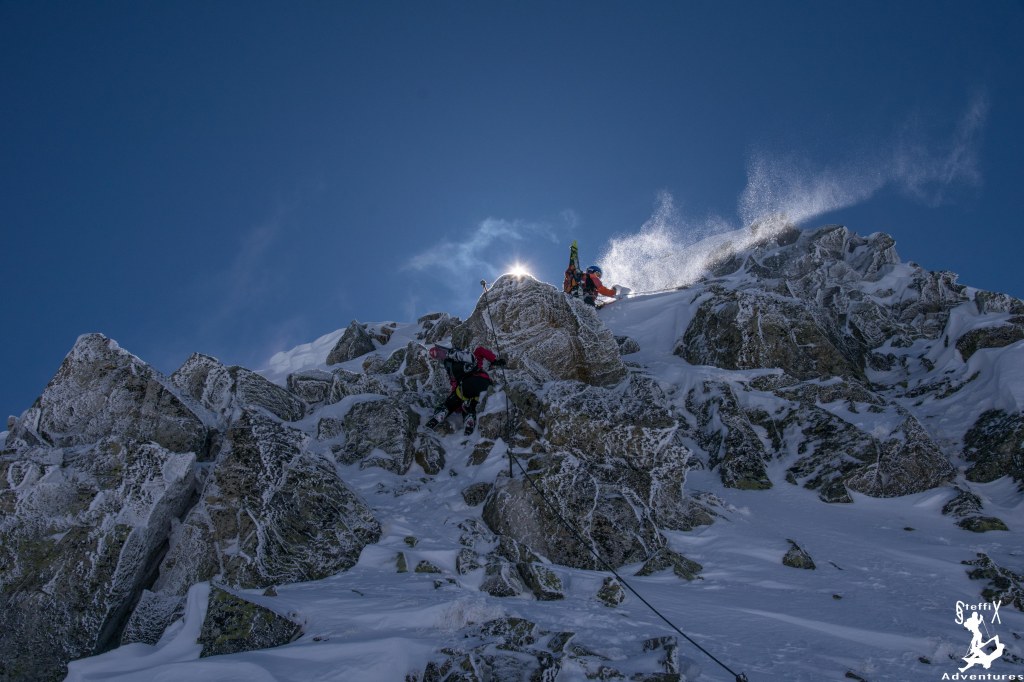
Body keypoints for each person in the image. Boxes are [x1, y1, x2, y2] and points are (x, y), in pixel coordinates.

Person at [425, 345, 507, 435]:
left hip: (466, 385)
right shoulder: (472, 357)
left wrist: (455, 404)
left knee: (459, 400)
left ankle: (443, 412)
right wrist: (494, 360)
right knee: (473, 403)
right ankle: (470, 416)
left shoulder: (451, 368)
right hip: (484, 383)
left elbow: (455, 385)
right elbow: (481, 350)